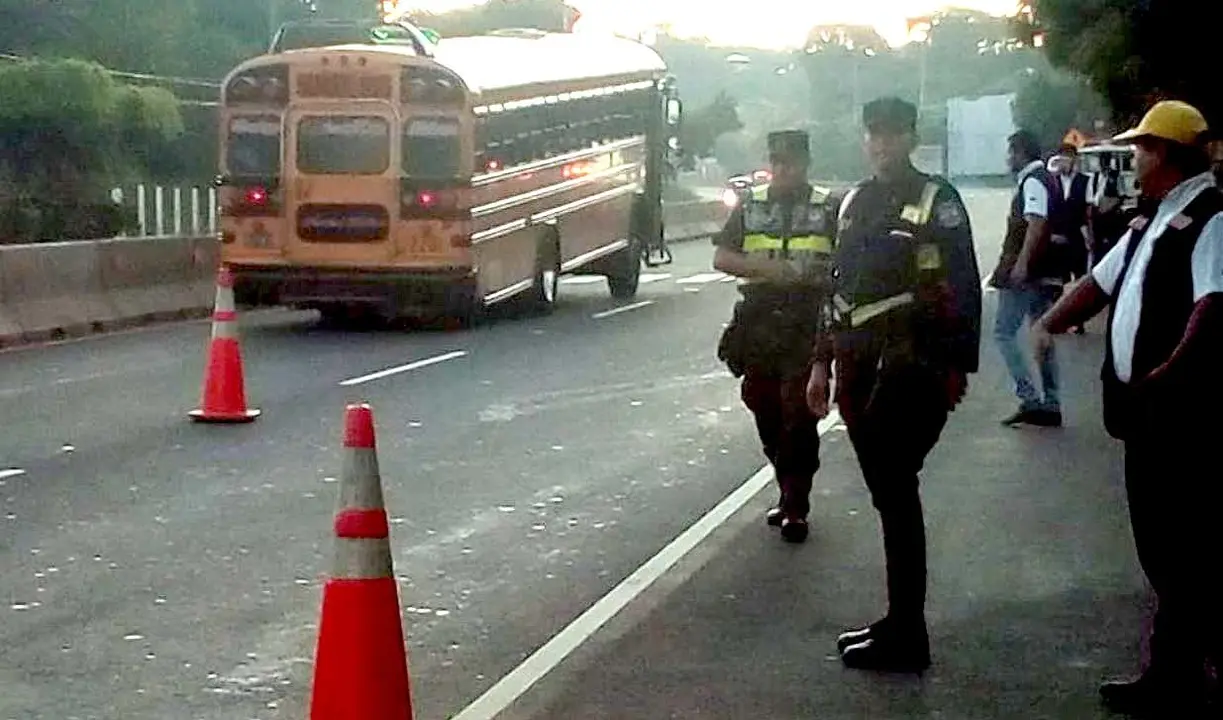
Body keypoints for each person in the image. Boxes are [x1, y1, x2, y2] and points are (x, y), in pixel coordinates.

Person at [1032, 99, 1223, 717]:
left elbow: (1211, 307)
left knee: (1182, 545)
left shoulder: (1209, 219)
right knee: (1163, 544)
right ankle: (1175, 670)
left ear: (1164, 154)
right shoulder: (1152, 221)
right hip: (1146, 414)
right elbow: (1101, 285)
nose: (1133, 158)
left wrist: (1169, 376)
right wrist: (1049, 322)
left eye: (1141, 148)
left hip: (1183, 414)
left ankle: (1183, 673)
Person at [806, 97, 981, 672]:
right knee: (889, 495)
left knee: (897, 490)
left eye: (892, 134)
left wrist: (956, 365)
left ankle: (908, 632)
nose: (882, 144)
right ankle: (900, 620)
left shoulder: (937, 202)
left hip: (910, 364)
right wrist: (820, 365)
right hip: (858, 366)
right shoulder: (854, 201)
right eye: (873, 135)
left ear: (911, 138)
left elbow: (961, 286)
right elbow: (835, 287)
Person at [714, 129, 836, 544]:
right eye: (777, 161)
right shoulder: (751, 206)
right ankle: (786, 483)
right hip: (760, 319)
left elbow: (846, 264)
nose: (783, 169)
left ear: (806, 164)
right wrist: (767, 270)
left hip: (808, 319)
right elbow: (722, 256)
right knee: (761, 401)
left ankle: (796, 505)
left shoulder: (829, 207)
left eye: (791, 162)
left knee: (797, 411)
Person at [988, 130, 1065, 427]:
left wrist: (1021, 264)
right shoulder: (1046, 179)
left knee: (1004, 332)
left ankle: (1029, 397)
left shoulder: (1033, 181)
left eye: (1011, 152)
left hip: (1028, 274)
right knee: (1040, 333)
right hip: (1045, 272)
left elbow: (1036, 221)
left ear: (1021, 152)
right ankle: (1051, 403)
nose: (1008, 158)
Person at [1049, 144, 1092, 333]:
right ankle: (1059, 319)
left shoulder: (1085, 181)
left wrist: (1090, 236)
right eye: (1062, 158)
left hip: (1076, 236)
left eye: (1069, 158)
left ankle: (1079, 321)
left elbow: (1088, 211)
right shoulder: (1053, 181)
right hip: (1057, 236)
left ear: (1075, 160)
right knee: (1060, 280)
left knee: (1079, 279)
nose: (1065, 162)